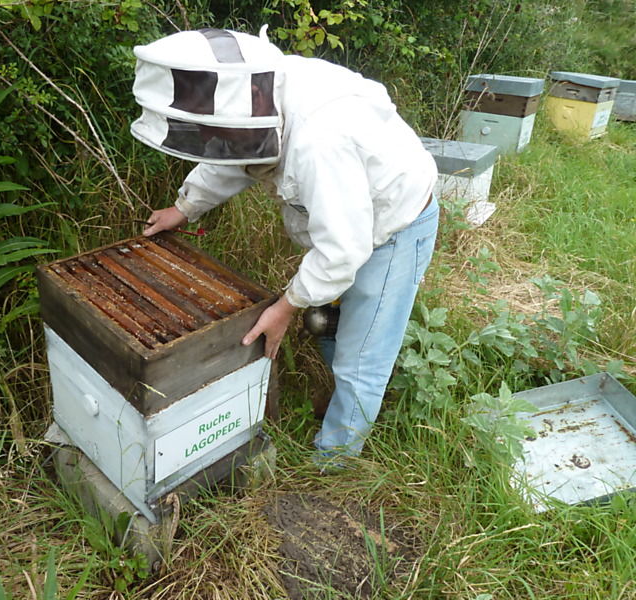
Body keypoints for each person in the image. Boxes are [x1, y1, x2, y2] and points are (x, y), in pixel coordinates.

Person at [130, 26, 439, 462]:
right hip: (346, 218)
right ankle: (343, 405)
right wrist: (184, 207)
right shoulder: (253, 100)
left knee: (362, 357)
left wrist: (285, 307)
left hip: (395, 226)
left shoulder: (320, 143)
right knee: (331, 330)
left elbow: (342, 253)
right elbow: (229, 152)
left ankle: (335, 463)